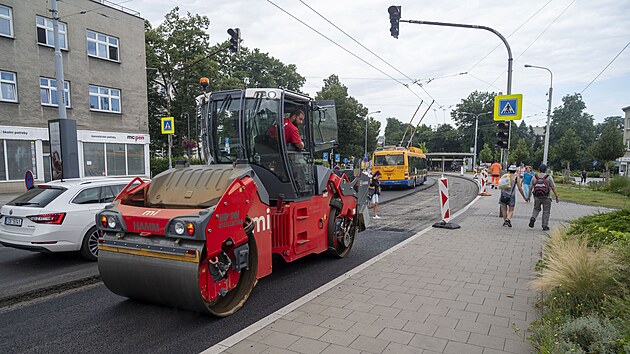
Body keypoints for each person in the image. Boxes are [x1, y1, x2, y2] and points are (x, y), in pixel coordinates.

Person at [526, 164, 560, 231]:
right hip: (546, 196)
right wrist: (556, 196)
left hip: (537, 196)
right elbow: (553, 187)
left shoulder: (535, 177)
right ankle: (545, 225)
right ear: (546, 169)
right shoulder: (548, 177)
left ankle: (533, 217)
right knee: (546, 211)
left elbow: (530, 188)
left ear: (539, 169)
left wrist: (529, 196)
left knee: (536, 208)